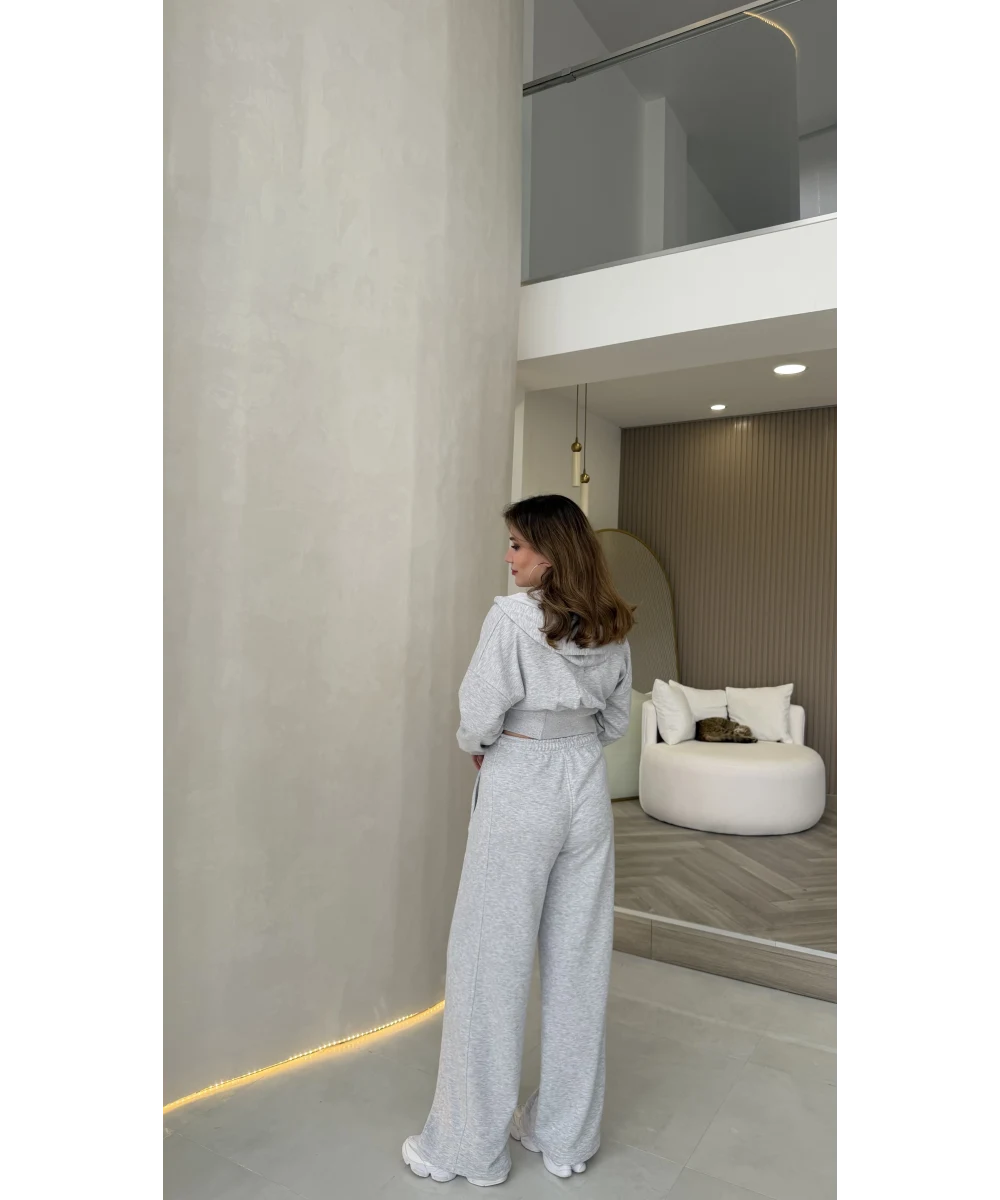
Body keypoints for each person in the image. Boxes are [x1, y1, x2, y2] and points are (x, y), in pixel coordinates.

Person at [403, 493, 635, 1187]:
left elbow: (478, 714)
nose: (509, 557)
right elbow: (616, 721)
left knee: (488, 963)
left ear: (551, 553)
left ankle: (466, 1148)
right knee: (579, 962)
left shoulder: (510, 619)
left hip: (522, 778)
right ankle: (565, 1137)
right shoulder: (612, 623)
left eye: (518, 544)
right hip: (586, 788)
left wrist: (485, 745)